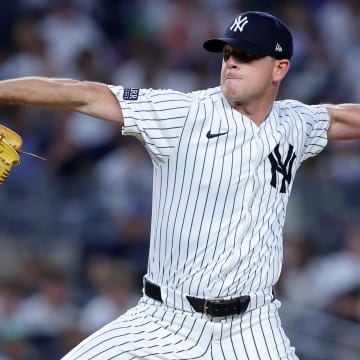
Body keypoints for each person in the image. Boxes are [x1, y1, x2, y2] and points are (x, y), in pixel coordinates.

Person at [0, 10, 359, 360]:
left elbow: (346, 117)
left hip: (252, 327)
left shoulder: (296, 122)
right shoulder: (182, 113)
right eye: (228, 53)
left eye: (247, 55)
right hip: (164, 319)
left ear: (279, 68)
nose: (232, 62)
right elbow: (83, 93)